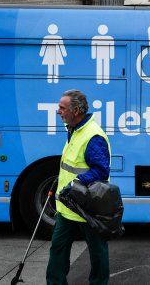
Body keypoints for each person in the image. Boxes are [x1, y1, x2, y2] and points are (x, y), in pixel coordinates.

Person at [47, 89, 111, 285]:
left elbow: (101, 170)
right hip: (67, 207)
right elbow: (72, 164)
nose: (58, 111)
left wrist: (75, 184)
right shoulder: (73, 130)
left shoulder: (93, 136)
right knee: (57, 250)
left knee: (97, 251)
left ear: (75, 111)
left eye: (62, 107)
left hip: (88, 207)